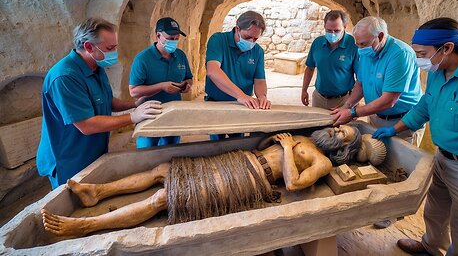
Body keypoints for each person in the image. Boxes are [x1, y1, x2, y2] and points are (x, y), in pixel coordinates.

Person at [40, 125, 385, 237]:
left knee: (169, 198)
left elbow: (294, 185)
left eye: (343, 135)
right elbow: (266, 144)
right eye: (340, 127)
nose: (336, 132)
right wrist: (277, 142)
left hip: (254, 180)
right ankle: (96, 191)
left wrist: (285, 148)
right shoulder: (308, 136)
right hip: (240, 160)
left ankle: (85, 226)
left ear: (345, 148)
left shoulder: (322, 160)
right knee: (165, 172)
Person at [373, 17, 458, 256]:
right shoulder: (438, 70)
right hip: (442, 158)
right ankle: (432, 246)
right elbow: (425, 105)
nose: (420, 59)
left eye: (422, 53)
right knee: (435, 209)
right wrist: (395, 128)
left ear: (447, 48)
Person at [36, 18, 163, 190]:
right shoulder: (65, 77)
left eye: (115, 46)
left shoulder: (96, 66)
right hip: (69, 158)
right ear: (89, 47)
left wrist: (134, 105)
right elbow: (86, 125)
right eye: (110, 48)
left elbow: (106, 101)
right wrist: (134, 117)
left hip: (92, 151)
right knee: (73, 205)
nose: (115, 52)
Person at [331, 16, 424, 147]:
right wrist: (347, 105)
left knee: (399, 165)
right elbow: (361, 84)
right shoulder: (366, 52)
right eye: (357, 44)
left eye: (363, 44)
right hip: (375, 116)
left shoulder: (400, 54)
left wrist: (353, 113)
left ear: (380, 36)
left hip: (401, 122)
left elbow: (389, 100)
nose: (360, 48)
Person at [205, 10, 271, 140]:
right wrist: (240, 95)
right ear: (237, 29)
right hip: (217, 103)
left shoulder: (258, 51)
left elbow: (259, 80)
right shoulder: (218, 40)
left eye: (255, 39)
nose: (251, 42)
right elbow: (212, 70)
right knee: (216, 144)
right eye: (247, 38)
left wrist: (262, 96)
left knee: (238, 141)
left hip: (242, 106)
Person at [129, 17, 193, 148]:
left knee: (171, 151)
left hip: (173, 114)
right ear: (158, 35)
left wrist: (186, 86)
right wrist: (161, 86)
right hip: (149, 115)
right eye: (170, 39)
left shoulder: (180, 55)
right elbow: (134, 91)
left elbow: (189, 78)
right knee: (146, 153)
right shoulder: (143, 59)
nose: (174, 42)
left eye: (176, 39)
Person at [302, 10, 358, 110]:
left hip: (343, 100)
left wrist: (352, 101)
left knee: (344, 126)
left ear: (344, 27)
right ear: (324, 27)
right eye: (328, 30)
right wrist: (304, 90)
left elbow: (360, 77)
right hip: (319, 98)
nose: (332, 34)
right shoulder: (317, 43)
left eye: (336, 31)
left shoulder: (353, 44)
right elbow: (310, 68)